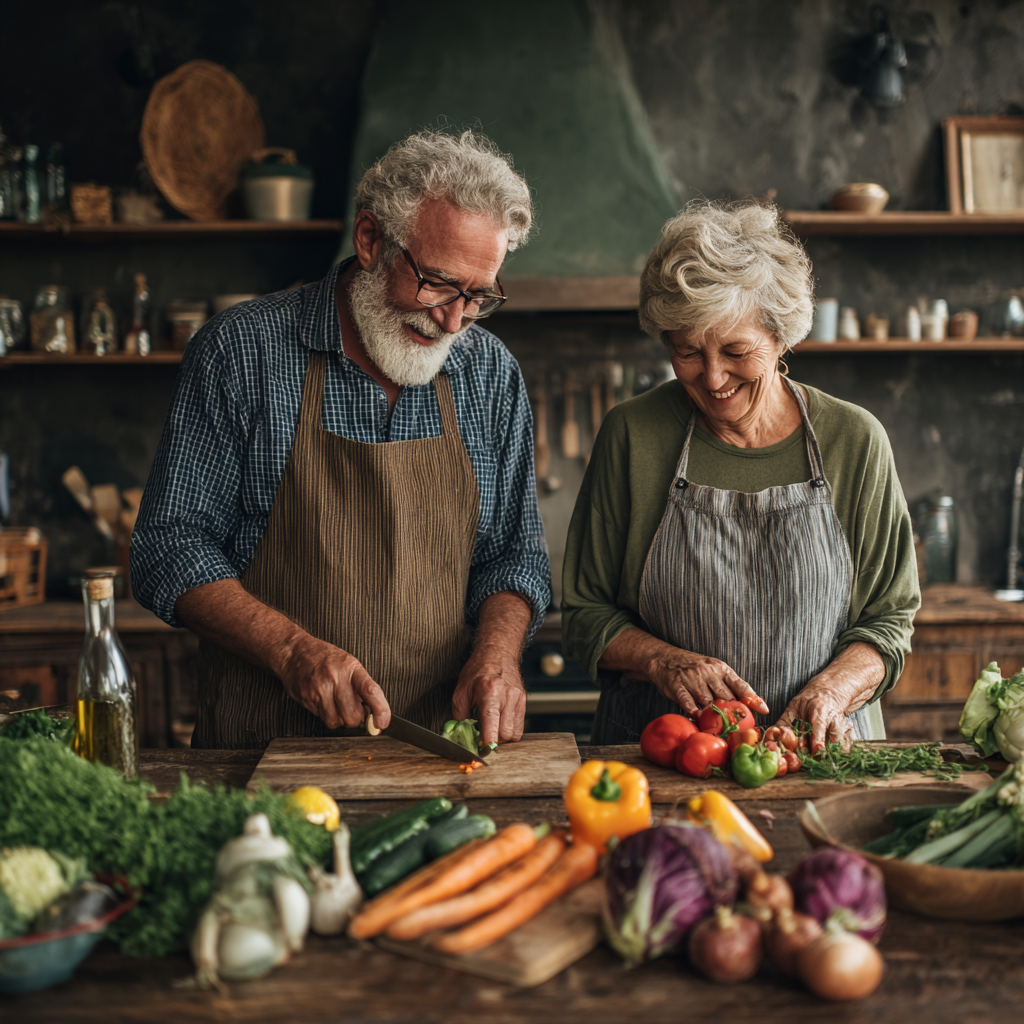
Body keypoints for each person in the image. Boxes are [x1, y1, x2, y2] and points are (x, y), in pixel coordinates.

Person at [132, 130, 551, 750]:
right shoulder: (242, 353)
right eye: (436, 282)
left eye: (478, 295)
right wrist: (291, 650)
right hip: (263, 752)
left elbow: (515, 555)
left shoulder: (489, 374)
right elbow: (167, 546)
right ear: (370, 240)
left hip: (435, 757)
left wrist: (497, 655)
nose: (453, 320)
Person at [562, 201, 919, 751]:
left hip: (819, 758)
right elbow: (585, 615)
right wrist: (663, 661)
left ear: (781, 338)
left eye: (736, 350)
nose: (712, 376)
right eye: (687, 352)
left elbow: (890, 621)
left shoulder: (855, 441)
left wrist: (831, 690)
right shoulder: (633, 435)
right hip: (660, 761)